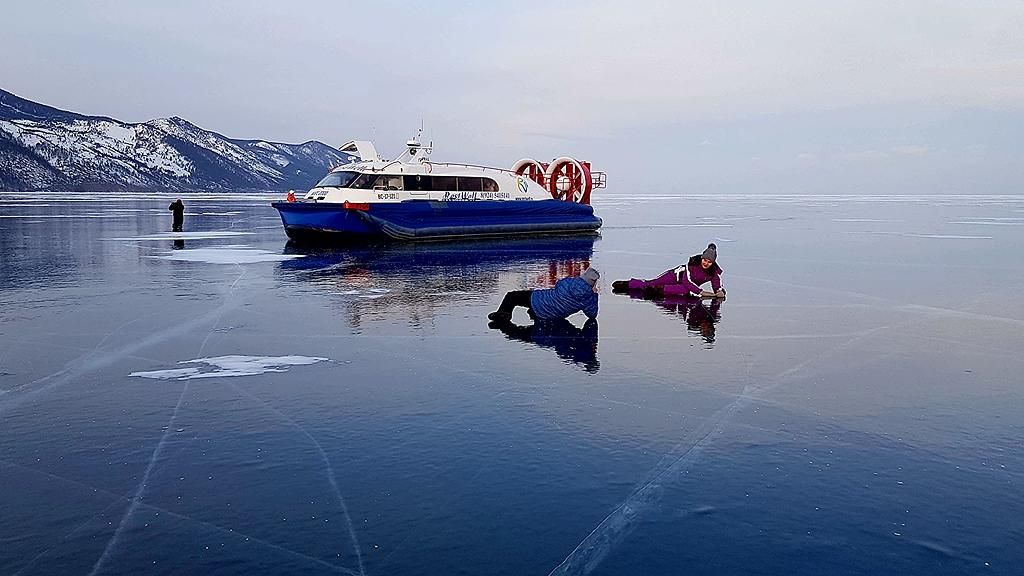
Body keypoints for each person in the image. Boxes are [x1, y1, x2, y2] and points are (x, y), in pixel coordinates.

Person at [612, 243, 725, 299]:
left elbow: (716, 284)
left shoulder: (713, 271)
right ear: (701, 258)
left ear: (713, 263)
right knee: (650, 283)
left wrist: (719, 291)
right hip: (674, 276)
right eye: (704, 260)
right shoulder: (692, 265)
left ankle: (658, 291)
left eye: (709, 262)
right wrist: (702, 292)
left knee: (685, 291)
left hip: (683, 286)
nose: (706, 263)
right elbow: (688, 282)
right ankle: (627, 284)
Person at [488, 267, 599, 323]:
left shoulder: (569, 283)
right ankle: (532, 315)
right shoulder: (588, 299)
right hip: (551, 316)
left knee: (512, 296)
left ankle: (504, 312)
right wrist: (594, 296)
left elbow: (558, 284)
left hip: (538, 299)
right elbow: (592, 315)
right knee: (520, 334)